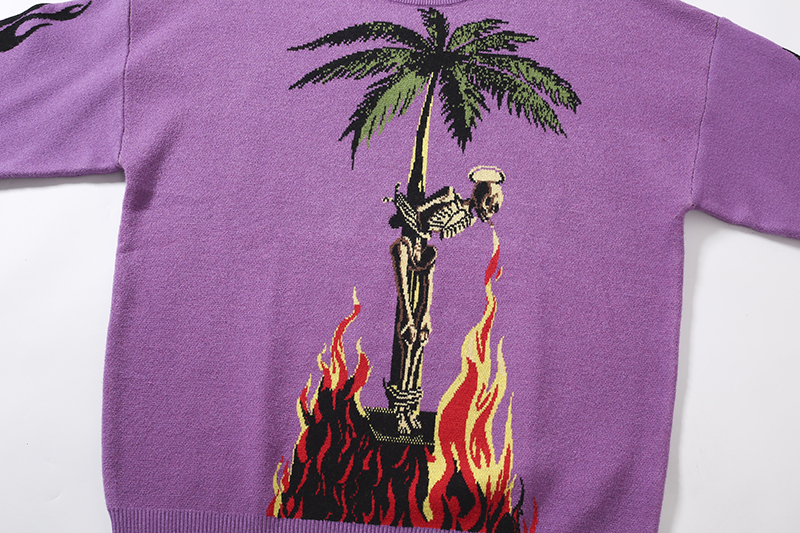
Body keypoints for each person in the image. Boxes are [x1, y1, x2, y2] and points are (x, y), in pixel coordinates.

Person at [384, 166, 505, 435]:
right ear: (480, 194)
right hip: (408, 248)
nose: (490, 211)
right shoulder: (449, 197)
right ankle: (400, 410)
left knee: (419, 337)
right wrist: (403, 203)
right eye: (489, 202)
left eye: (494, 207)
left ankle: (408, 407)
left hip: (424, 253)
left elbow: (435, 230)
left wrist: (425, 314)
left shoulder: (467, 219)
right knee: (409, 330)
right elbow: (418, 216)